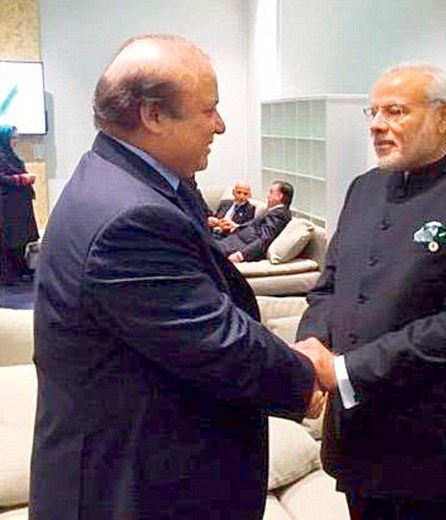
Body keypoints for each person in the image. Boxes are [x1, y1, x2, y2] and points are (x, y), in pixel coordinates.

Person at [30, 34, 322, 520]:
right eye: (209, 109)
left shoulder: (129, 179)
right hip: (139, 489)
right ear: (153, 116)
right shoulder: (129, 217)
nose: (222, 125)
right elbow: (216, 340)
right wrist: (303, 373)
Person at [292, 63, 446, 520]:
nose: (377, 124)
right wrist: (313, 344)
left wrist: (341, 371)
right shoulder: (364, 188)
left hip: (432, 439)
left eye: (395, 111)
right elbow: (330, 284)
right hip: (356, 430)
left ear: (443, 117)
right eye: (373, 112)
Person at [215, 180, 292, 263]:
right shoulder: (274, 211)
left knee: (204, 250)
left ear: (279, 196)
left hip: (238, 246)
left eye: (271, 192)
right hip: (232, 240)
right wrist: (236, 226)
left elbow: (264, 239)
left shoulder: (279, 214)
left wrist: (240, 255)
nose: (268, 196)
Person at [0, 125, 39, 285]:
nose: (16, 141)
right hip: (7, 207)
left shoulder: (10, 155)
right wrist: (22, 178)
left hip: (19, 206)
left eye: (17, 137)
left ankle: (21, 268)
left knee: (22, 239)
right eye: (13, 138)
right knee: (10, 240)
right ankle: (10, 274)